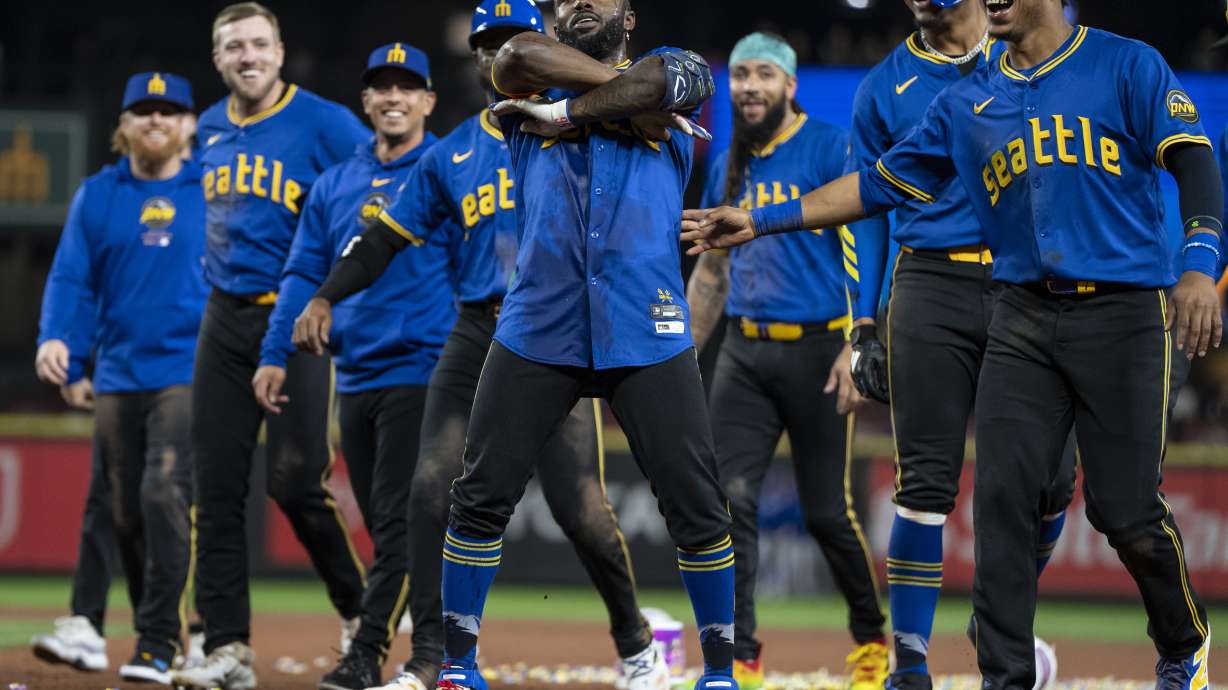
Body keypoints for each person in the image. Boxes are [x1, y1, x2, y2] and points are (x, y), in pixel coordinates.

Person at [681, 1, 1221, 688]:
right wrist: (759, 220)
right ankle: (1003, 676)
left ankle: (1182, 642)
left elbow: (1195, 163)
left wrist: (1200, 262)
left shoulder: (1126, 64)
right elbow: (877, 186)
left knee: (1126, 512)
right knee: (997, 503)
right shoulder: (967, 100)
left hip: (1123, 314)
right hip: (1020, 313)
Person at [295, 3, 665, 690]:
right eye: (485, 45)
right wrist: (324, 294)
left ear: (540, 46)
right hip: (475, 330)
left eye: (510, 40)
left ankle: (636, 643)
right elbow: (383, 238)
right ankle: (432, 657)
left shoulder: (583, 120)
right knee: (430, 488)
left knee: (581, 511)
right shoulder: (453, 151)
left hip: (553, 331)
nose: (498, 53)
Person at [840, 2, 1073, 687]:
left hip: (1025, 279)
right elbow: (867, 209)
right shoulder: (883, 86)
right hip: (929, 285)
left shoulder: (1031, 55)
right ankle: (909, 664)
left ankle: (999, 612)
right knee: (924, 486)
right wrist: (862, 322)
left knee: (1053, 482)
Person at [171, 3, 371, 688]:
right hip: (222, 320)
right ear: (218, 58)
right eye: (234, 46)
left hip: (298, 322)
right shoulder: (207, 129)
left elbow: (381, 188)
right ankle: (227, 647)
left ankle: (358, 608)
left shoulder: (327, 123)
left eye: (259, 44)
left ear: (280, 53)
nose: (247, 56)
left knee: (293, 480)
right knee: (215, 489)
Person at [684, 31, 887, 690]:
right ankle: (739, 656)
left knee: (827, 513)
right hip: (744, 353)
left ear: (790, 86)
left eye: (763, 74)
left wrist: (859, 342)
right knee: (730, 499)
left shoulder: (829, 147)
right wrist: (679, 359)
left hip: (820, 350)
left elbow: (864, 243)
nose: (748, 87)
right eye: (740, 74)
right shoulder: (730, 162)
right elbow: (713, 270)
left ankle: (869, 642)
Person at [253, 41, 446, 690]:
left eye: (406, 87)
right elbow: (304, 270)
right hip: (355, 375)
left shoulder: (447, 168)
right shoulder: (337, 182)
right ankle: (439, 647)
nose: (393, 98)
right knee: (391, 524)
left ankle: (366, 654)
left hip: (424, 368)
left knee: (395, 522)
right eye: (381, 88)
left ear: (428, 100)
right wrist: (275, 352)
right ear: (365, 101)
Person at [35, 71, 207, 684]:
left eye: (168, 110)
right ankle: (109, 626)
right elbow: (71, 279)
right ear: (124, 126)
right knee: (116, 507)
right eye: (142, 111)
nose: (155, 120)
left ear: (190, 123)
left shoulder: (213, 189)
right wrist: (60, 341)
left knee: (162, 492)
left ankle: (161, 640)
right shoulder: (98, 194)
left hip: (187, 370)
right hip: (118, 370)